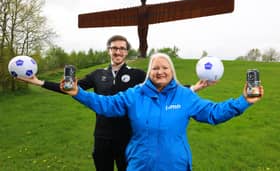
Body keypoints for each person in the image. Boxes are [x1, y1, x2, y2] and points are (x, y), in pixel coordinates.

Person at [17, 35, 213, 171]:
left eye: (122, 48)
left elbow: (162, 83)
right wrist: (38, 82)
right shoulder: (97, 74)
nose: (118, 51)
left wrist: (193, 88)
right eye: (114, 48)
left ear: (126, 52)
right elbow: (71, 89)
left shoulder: (137, 75)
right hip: (102, 136)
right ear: (109, 51)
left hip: (127, 137)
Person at [61, 53, 264, 171]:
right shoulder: (135, 94)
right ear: (149, 72)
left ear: (172, 71)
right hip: (140, 165)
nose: (160, 72)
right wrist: (78, 92)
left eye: (165, 68)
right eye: (155, 68)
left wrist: (244, 101)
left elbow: (213, 113)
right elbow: (105, 104)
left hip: (175, 165)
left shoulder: (185, 96)